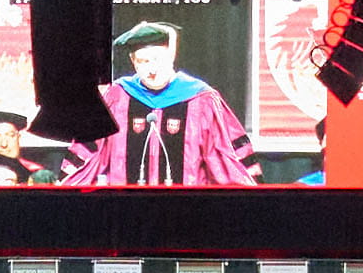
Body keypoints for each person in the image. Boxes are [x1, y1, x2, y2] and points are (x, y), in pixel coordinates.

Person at [64, 22, 257, 186]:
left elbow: (226, 159)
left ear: (171, 56)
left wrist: (253, 198)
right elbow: (87, 154)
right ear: (133, 62)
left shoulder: (202, 99)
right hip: (126, 209)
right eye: (144, 61)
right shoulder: (117, 97)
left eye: (158, 59)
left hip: (188, 211)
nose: (152, 69)